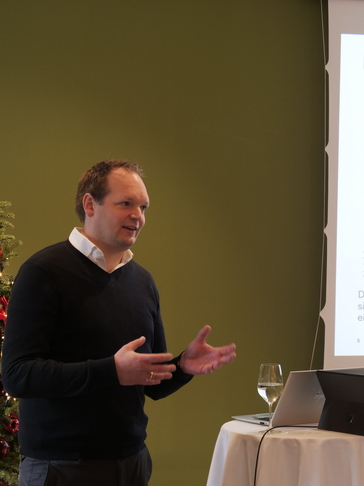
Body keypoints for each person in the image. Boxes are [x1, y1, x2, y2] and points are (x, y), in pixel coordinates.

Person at [2, 160, 237, 486]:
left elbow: (150, 381)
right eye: (125, 203)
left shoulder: (143, 282)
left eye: (143, 207)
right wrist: (111, 370)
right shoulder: (43, 272)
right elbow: (17, 376)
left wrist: (182, 366)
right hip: (62, 467)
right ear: (90, 205)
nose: (138, 216)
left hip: (133, 464)